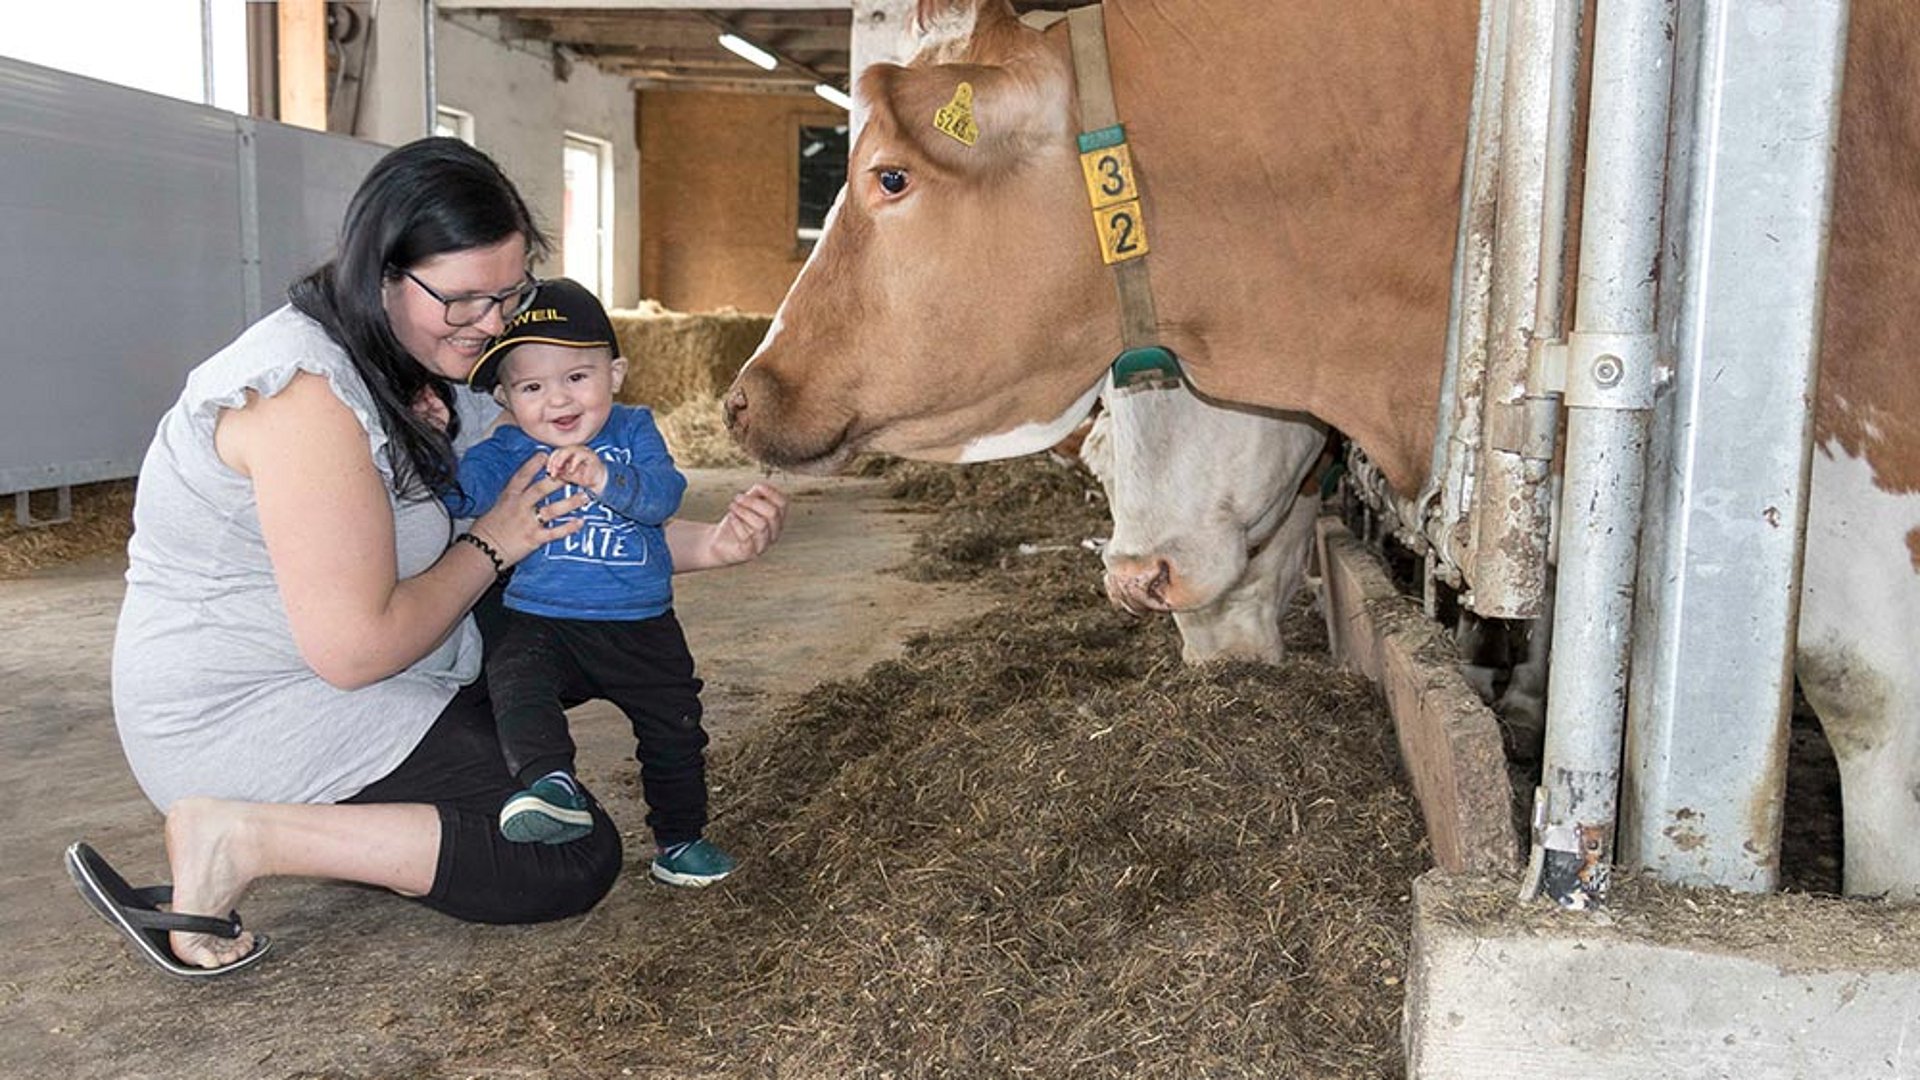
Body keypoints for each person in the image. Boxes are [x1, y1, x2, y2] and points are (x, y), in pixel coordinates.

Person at [65, 137, 788, 978]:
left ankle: (370, 831)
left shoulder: (439, 362)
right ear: (382, 274)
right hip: (260, 704)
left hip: (400, 655)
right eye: (465, 299)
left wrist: (709, 545)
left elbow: (567, 527)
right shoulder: (302, 396)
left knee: (579, 638)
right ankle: (240, 830)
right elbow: (357, 647)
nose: (494, 324)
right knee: (563, 857)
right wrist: (494, 542)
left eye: (511, 293)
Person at [444, 276, 757, 888]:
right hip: (544, 618)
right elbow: (454, 494)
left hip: (641, 623)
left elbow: (665, 494)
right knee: (516, 682)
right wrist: (429, 442)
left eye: (576, 378)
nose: (557, 400)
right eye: (532, 387)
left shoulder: (634, 430)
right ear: (506, 399)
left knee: (674, 728)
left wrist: (607, 480)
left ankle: (681, 838)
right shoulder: (508, 449)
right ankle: (550, 785)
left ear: (614, 374)